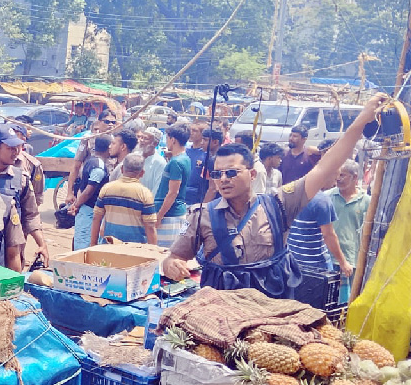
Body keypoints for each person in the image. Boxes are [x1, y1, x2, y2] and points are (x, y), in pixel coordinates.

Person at [160, 94, 384, 297]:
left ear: (252, 173)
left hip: (272, 309)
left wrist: (360, 121)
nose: (224, 179)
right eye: (218, 174)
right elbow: (175, 256)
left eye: (232, 172)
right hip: (221, 312)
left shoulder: (279, 204)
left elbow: (324, 168)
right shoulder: (202, 215)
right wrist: (171, 265)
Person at [0, 123, 49, 265]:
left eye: (17, 148)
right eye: (10, 148)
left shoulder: (21, 179)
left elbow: (31, 215)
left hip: (11, 251)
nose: (16, 152)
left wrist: (42, 244)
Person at [90, 153, 157, 246]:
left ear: (121, 169)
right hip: (135, 250)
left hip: (109, 246)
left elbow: (96, 218)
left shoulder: (107, 189)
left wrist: (93, 244)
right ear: (142, 173)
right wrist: (153, 251)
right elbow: (150, 227)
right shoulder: (145, 194)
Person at [328, 159, 370, 302]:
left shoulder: (366, 201)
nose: (338, 179)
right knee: (328, 299)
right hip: (330, 258)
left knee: (348, 301)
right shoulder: (328, 197)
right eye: (337, 175)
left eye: (343, 175)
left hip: (353, 259)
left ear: (354, 176)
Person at [286, 188, 348, 275]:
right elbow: (328, 235)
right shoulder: (321, 201)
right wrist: (343, 262)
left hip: (291, 263)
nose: (337, 179)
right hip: (316, 267)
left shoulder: (289, 195)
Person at [67, 134, 110, 250]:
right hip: (90, 211)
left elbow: (82, 187)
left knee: (80, 239)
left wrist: (77, 205)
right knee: (85, 244)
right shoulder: (99, 167)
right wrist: (76, 205)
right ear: (109, 148)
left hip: (84, 209)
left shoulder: (90, 161)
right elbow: (88, 191)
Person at [65, 110, 117, 204]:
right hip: (88, 186)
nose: (110, 125)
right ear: (99, 122)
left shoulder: (117, 141)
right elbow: (76, 166)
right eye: (107, 121)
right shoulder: (88, 139)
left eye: (113, 122)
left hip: (108, 187)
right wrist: (69, 192)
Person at [153, 123, 191, 247]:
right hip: (173, 214)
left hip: (170, 216)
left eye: (167, 138)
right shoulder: (183, 158)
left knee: (162, 254)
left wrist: (159, 216)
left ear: (172, 139)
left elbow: (172, 193)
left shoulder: (176, 162)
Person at [138, 127, 166, 196]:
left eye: (146, 139)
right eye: (141, 137)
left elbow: (156, 189)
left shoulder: (160, 163)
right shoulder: (134, 156)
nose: (142, 141)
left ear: (155, 143)